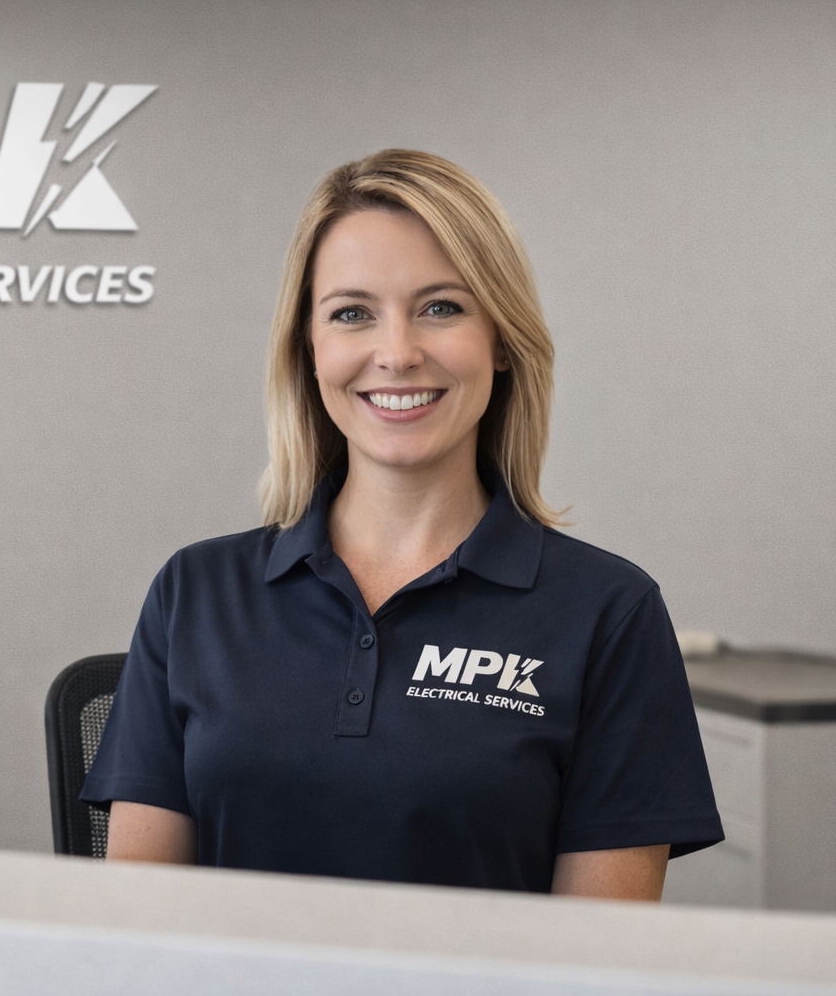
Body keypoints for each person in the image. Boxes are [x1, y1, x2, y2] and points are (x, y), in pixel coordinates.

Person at [80, 150, 723, 899]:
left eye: (441, 307)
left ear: (504, 341)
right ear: (308, 351)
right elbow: (134, 931)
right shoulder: (194, 591)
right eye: (352, 314)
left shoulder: (609, 612)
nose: (397, 354)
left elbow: (599, 964)